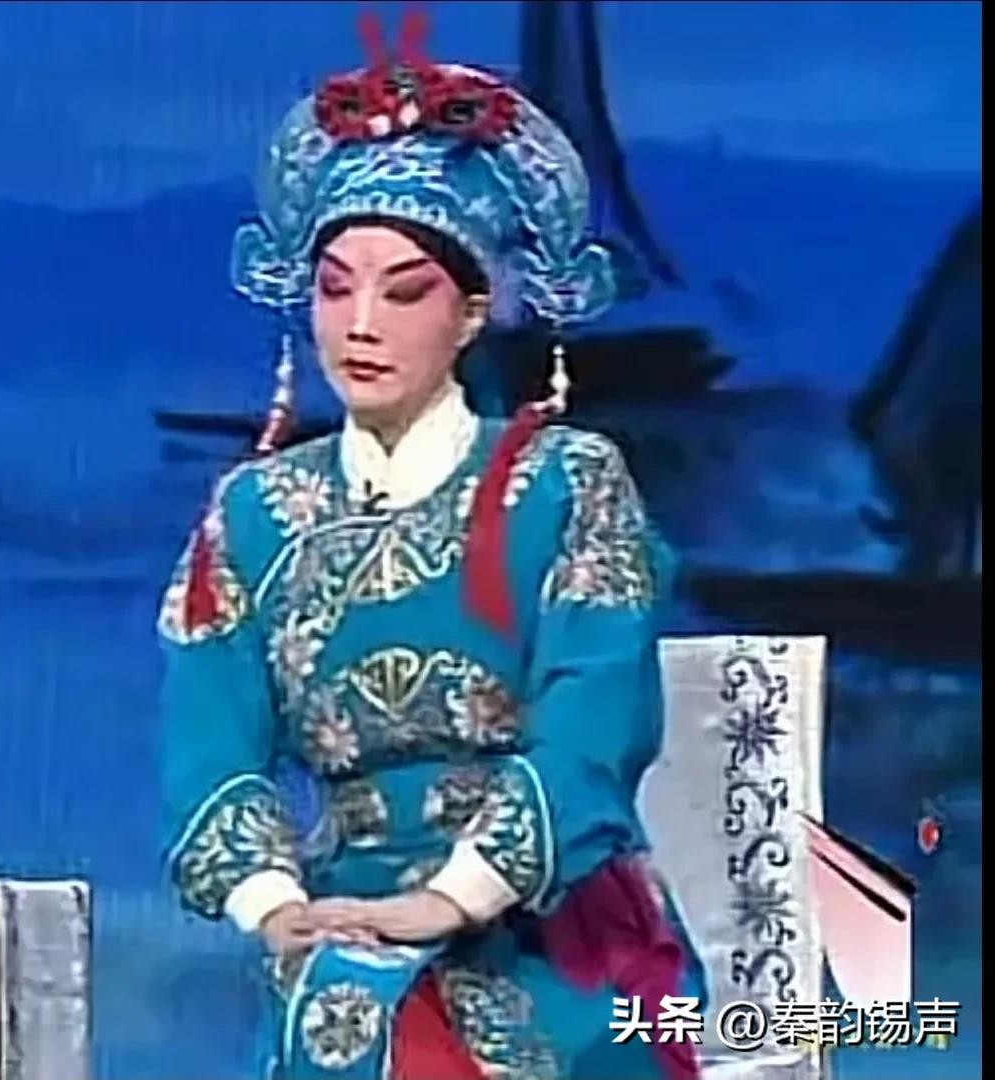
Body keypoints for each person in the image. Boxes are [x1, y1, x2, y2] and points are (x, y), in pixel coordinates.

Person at [158, 12, 705, 1079]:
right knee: (345, 1024)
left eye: (404, 291)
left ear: (471, 312)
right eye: (333, 287)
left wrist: (449, 898)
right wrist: (275, 906)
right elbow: (209, 749)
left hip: (550, 928)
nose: (359, 323)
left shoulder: (565, 483)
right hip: (341, 925)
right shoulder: (254, 513)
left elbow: (592, 726)